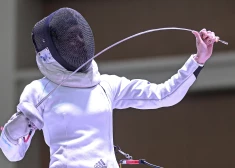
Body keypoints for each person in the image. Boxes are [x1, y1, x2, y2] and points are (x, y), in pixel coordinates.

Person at [0, 7, 217, 168]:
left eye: (79, 33)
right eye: (69, 37)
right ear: (51, 51)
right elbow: (14, 154)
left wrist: (198, 60)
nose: (78, 40)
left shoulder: (105, 85)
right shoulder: (39, 91)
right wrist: (9, 135)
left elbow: (163, 95)